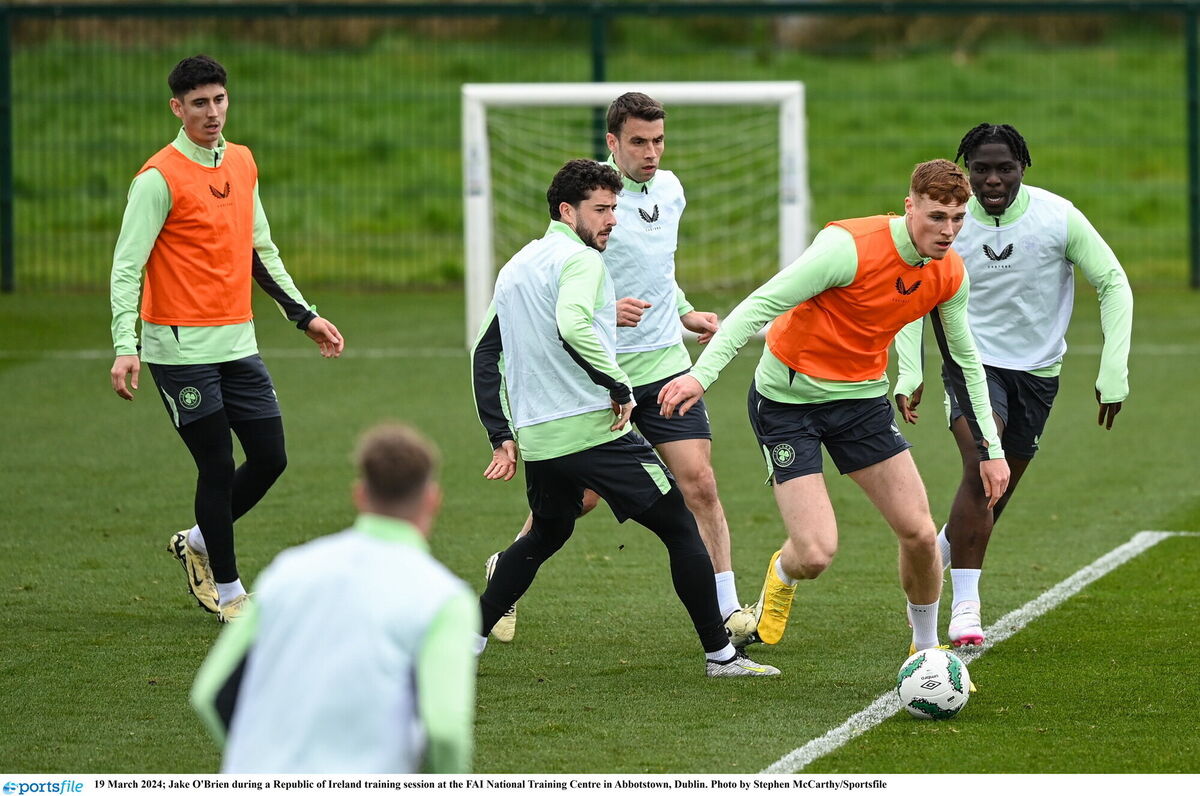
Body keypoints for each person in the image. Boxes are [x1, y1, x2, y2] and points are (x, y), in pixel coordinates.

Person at [658, 159, 1011, 655]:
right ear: (910, 207)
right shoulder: (848, 248)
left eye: (958, 218)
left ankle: (926, 652)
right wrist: (701, 375)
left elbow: (966, 362)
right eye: (936, 217)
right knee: (816, 552)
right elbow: (761, 304)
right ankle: (781, 574)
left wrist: (991, 448)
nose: (948, 230)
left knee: (920, 533)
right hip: (787, 403)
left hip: (862, 401)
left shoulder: (950, 272)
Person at [472, 158, 778, 677]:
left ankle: (469, 642)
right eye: (601, 210)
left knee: (546, 534)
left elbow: (484, 350)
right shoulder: (582, 263)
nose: (612, 219)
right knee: (681, 527)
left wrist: (501, 433)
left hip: (541, 440)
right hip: (593, 431)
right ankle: (721, 655)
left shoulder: (517, 265)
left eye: (615, 208)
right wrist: (619, 386)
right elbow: (573, 325)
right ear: (567, 212)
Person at [108, 54, 344, 623]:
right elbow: (126, 266)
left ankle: (196, 540)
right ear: (177, 108)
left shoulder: (241, 161)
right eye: (199, 104)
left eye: (218, 100)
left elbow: (259, 249)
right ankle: (231, 590)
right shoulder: (157, 179)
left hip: (238, 344)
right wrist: (125, 344)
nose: (212, 113)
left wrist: (304, 315)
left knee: (270, 457)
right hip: (179, 351)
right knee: (215, 465)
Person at [892, 124, 1133, 648]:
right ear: (966, 170)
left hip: (1039, 373)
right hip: (970, 365)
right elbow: (912, 291)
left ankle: (930, 556)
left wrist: (1113, 369)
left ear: (1024, 167)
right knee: (984, 463)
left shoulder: (1057, 217)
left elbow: (1112, 281)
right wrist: (909, 370)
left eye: (1005, 167)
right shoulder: (949, 224)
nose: (993, 179)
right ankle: (964, 612)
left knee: (995, 488)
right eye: (981, 168)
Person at [190, 423, 478, 773]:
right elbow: (445, 730)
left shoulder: (288, 571)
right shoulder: (445, 598)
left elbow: (210, 693)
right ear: (433, 500)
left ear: (359, 495)